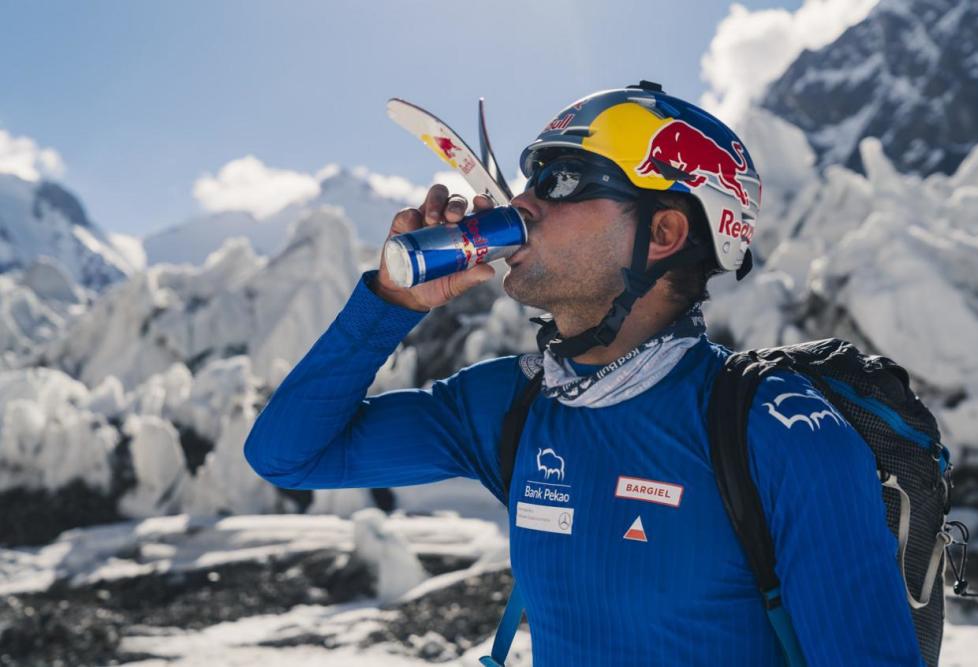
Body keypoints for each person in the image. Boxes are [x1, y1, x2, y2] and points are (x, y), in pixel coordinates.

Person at [244, 82, 924, 665]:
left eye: (564, 180)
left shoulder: (778, 433)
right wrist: (393, 302)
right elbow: (287, 453)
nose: (525, 202)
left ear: (663, 235)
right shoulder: (507, 405)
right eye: (530, 179)